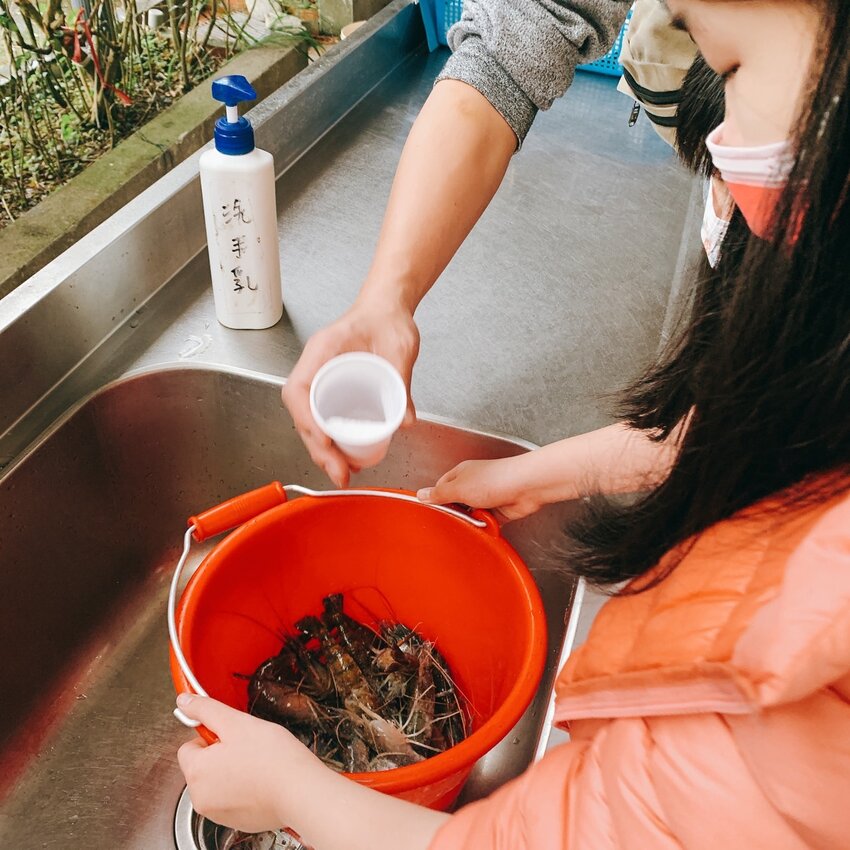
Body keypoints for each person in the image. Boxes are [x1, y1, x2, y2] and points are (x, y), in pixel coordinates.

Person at [176, 1, 850, 847]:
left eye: (731, 66)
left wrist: (296, 795)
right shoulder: (814, 394)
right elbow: (728, 434)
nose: (723, 172)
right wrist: (539, 469)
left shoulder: (789, 695)